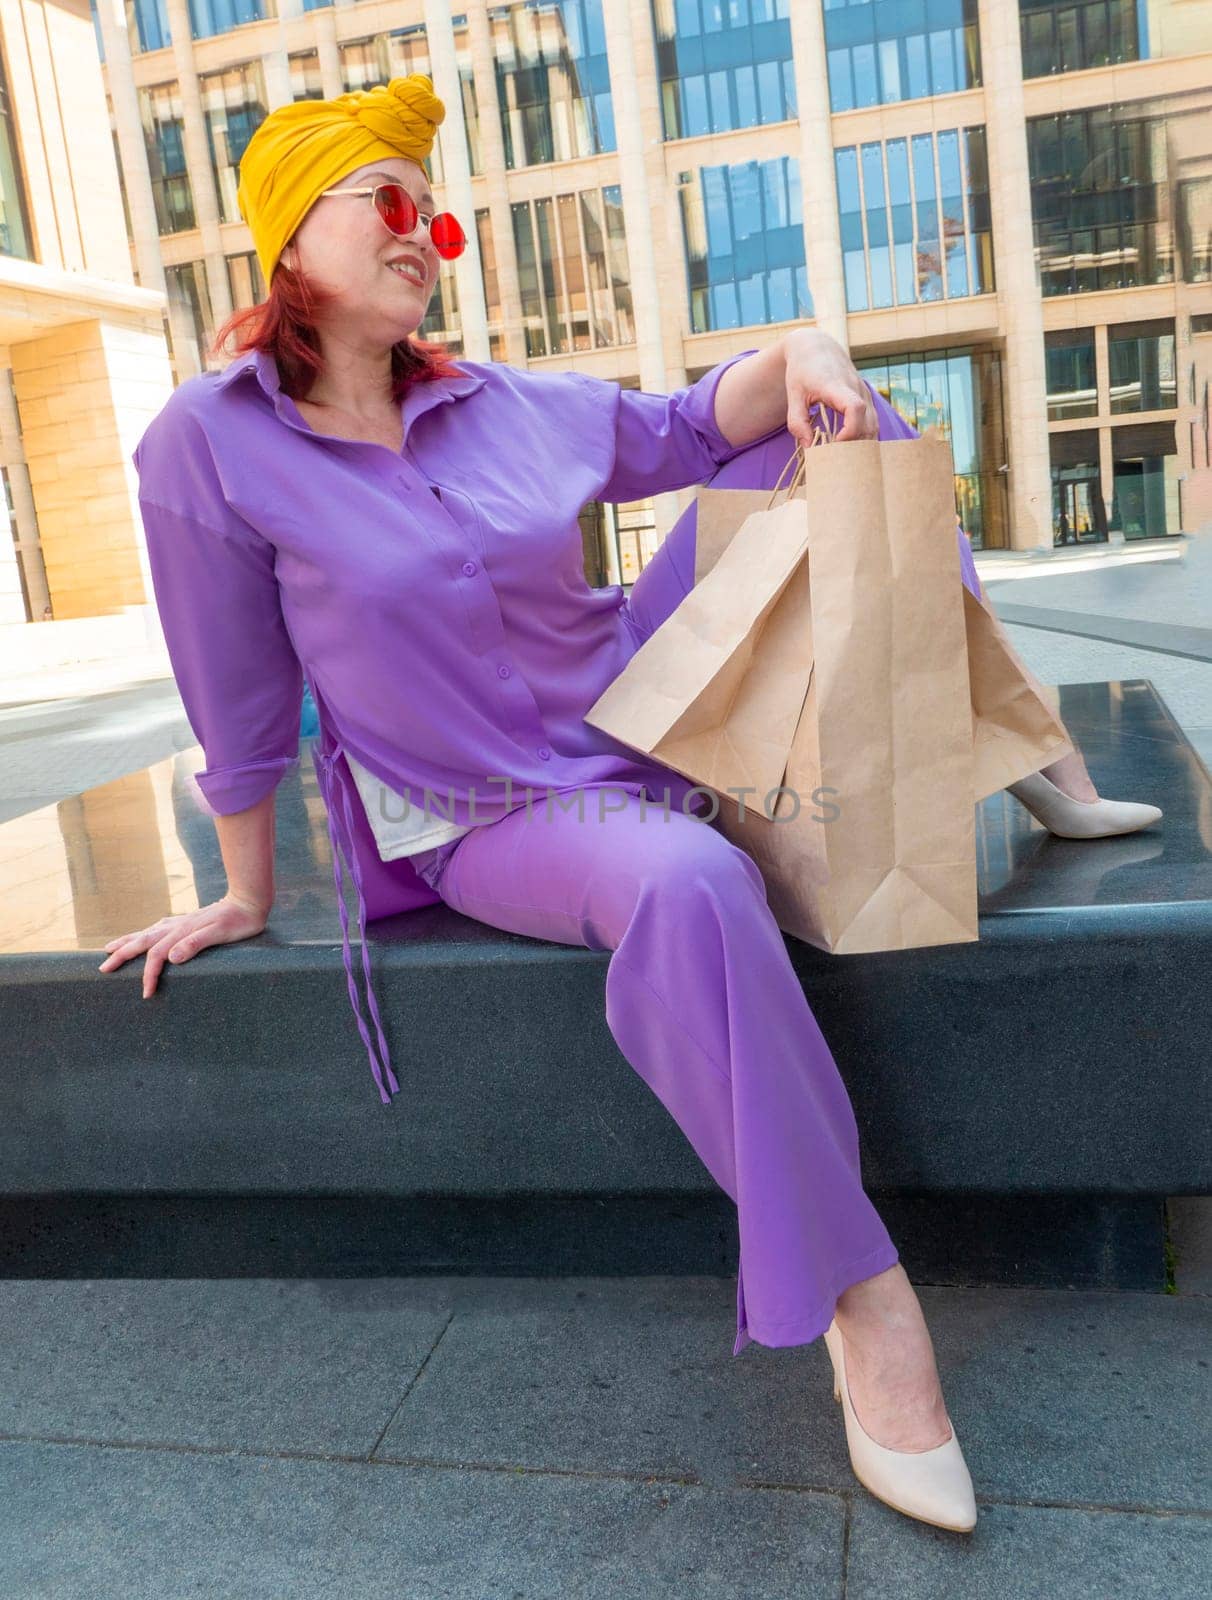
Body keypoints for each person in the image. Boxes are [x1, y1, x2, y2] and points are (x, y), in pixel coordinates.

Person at [96, 75, 1162, 1536]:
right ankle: (864, 1305)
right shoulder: (209, 443)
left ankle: (1026, 742)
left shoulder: (506, 406)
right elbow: (227, 686)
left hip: (637, 718)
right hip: (484, 811)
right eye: (391, 203)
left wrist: (815, 355)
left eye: (439, 215)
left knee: (841, 421)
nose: (425, 236)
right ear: (290, 232)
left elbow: (696, 421)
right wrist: (244, 891)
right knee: (687, 884)